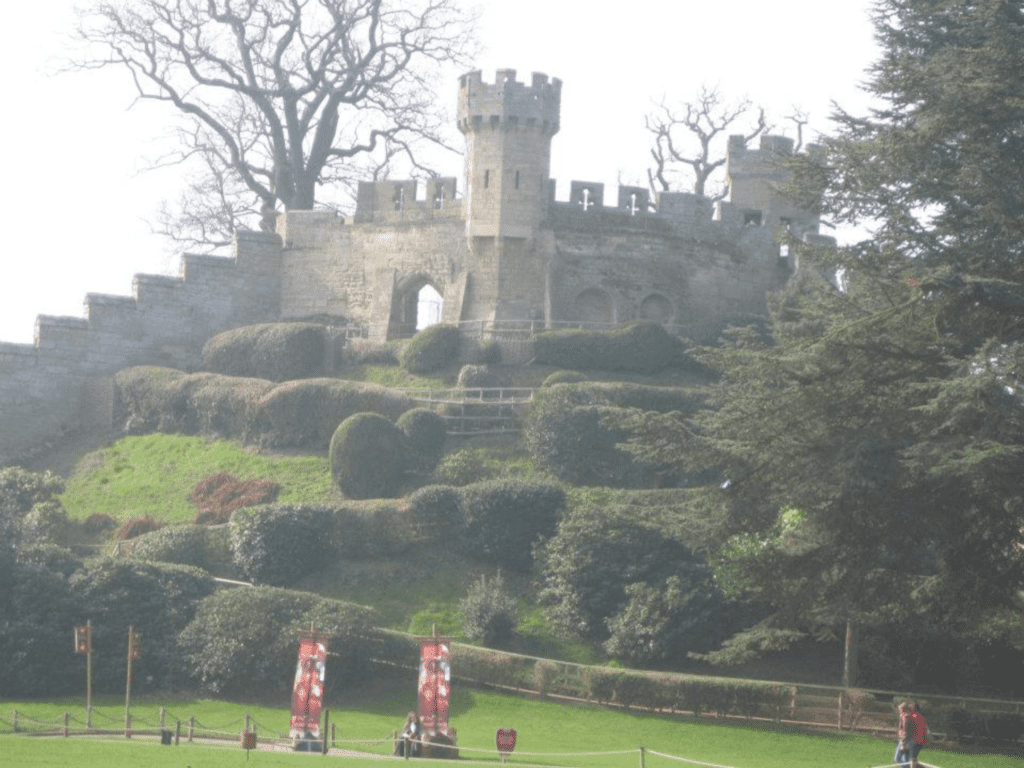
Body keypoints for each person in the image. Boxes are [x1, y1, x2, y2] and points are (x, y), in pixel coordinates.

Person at [908, 703, 928, 768]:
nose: (909, 706)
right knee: (913, 758)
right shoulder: (920, 716)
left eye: (911, 705)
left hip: (916, 740)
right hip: (921, 740)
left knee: (911, 760)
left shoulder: (912, 715)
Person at [893, 702, 911, 767]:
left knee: (897, 759)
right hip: (906, 741)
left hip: (905, 742)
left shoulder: (905, 718)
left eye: (900, 709)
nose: (899, 711)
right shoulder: (905, 717)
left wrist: (903, 744)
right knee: (905, 760)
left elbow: (905, 731)